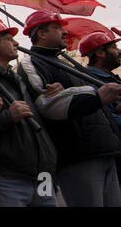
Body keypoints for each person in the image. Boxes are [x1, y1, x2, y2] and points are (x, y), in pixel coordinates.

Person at [17, 11, 121, 207]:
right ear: (42, 34)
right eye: (57, 28)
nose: (64, 32)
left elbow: (93, 103)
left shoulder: (66, 64)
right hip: (78, 157)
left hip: (105, 149)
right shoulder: (32, 63)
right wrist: (96, 96)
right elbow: (46, 105)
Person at [0, 19, 58, 207]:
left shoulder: (17, 78)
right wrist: (8, 116)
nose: (16, 43)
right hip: (8, 178)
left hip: (43, 174)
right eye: (9, 39)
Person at [79, 31, 121, 186]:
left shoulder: (112, 78)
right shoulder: (87, 81)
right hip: (112, 151)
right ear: (100, 53)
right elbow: (104, 117)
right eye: (114, 47)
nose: (119, 51)